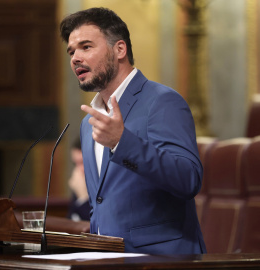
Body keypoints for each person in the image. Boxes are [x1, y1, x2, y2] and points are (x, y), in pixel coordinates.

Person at [60, 7, 206, 255]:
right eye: (71, 51)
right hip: (107, 259)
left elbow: (188, 179)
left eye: (86, 47)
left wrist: (122, 142)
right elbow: (102, 204)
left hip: (162, 261)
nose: (75, 57)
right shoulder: (89, 123)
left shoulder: (162, 101)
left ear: (120, 49)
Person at [67, 139, 90, 221]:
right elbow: (71, 221)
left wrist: (83, 198)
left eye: (82, 162)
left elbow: (94, 227)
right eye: (75, 163)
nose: (79, 169)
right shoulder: (80, 183)